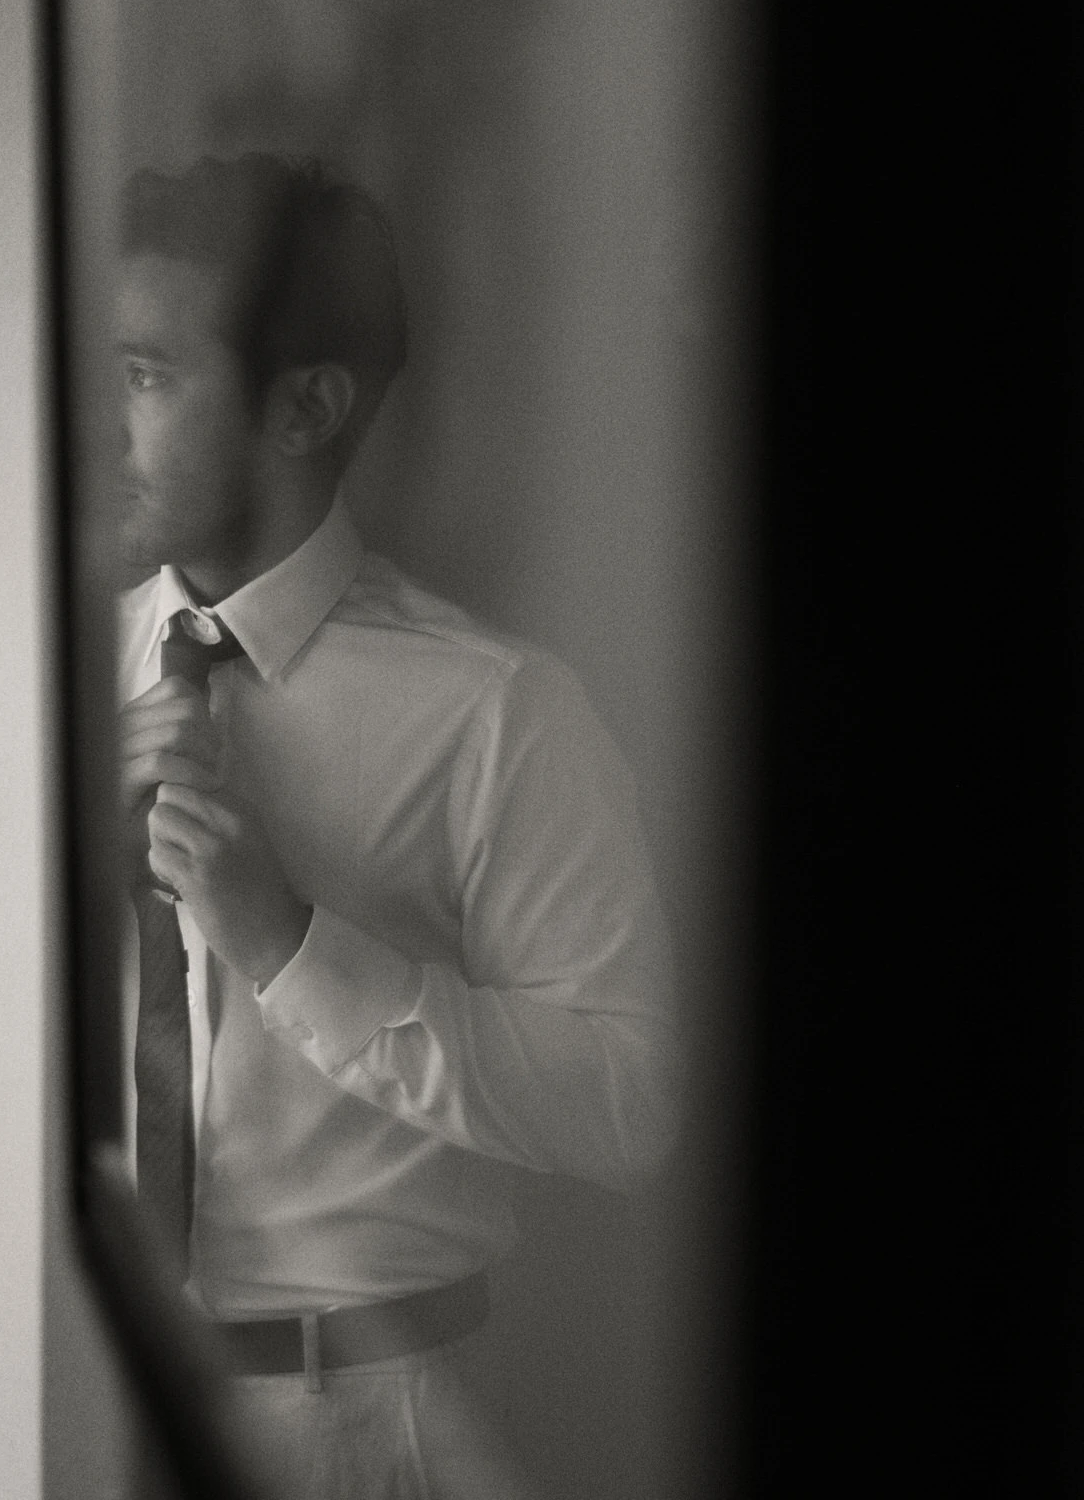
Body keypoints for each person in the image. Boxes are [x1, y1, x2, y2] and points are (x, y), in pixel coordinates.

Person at [115, 155, 677, 1497]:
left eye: (146, 376)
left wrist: (296, 948)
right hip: (76, 1393)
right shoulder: (51, 675)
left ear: (304, 404)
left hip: (372, 1430)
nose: (100, 419)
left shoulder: (501, 714)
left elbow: (631, 1100)